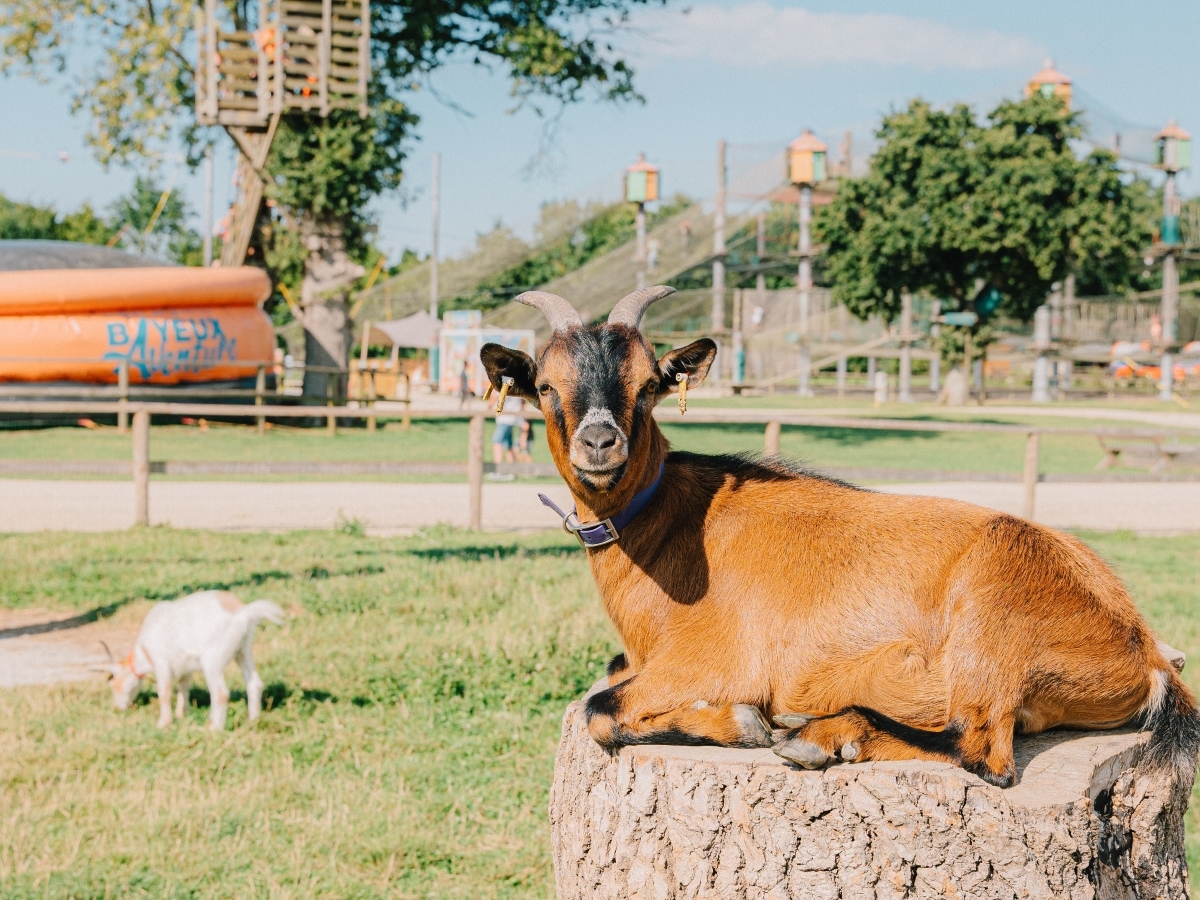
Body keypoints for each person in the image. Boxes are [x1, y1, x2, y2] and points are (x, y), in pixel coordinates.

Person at [492, 394, 523, 466]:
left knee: (496, 441)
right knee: (508, 443)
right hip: (510, 417)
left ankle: (497, 468)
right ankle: (511, 468)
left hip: (505, 418)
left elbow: (497, 396)